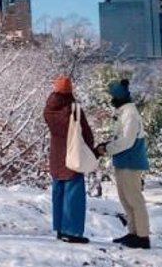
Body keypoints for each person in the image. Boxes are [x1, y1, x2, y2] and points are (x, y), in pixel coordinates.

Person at [95, 79, 151, 250]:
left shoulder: (129, 114)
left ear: (118, 97)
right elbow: (122, 138)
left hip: (130, 161)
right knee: (126, 199)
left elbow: (126, 141)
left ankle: (142, 236)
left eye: (112, 96)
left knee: (134, 199)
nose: (111, 99)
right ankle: (133, 233)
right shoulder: (124, 113)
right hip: (124, 161)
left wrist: (107, 149)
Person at [43, 75, 95, 244]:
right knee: (73, 196)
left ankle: (59, 228)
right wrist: (90, 150)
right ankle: (72, 232)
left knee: (58, 193)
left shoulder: (48, 110)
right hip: (72, 156)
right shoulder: (74, 109)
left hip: (56, 156)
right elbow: (86, 134)